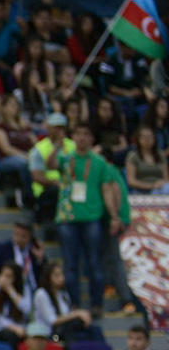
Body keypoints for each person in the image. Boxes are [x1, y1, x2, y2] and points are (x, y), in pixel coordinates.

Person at [55, 123, 127, 317]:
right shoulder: (66, 158)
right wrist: (57, 143)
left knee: (94, 263)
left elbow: (107, 190)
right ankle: (75, 304)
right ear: (73, 137)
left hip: (92, 217)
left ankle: (97, 304)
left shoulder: (99, 162)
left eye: (86, 134)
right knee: (70, 264)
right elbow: (49, 164)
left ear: (92, 139)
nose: (82, 138)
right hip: (68, 217)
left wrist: (113, 216)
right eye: (78, 134)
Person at [32, 260, 103, 344]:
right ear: (48, 277)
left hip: (65, 330)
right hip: (50, 333)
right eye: (57, 275)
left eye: (62, 274)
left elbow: (67, 315)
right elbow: (53, 321)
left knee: (94, 329)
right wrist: (77, 313)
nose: (61, 278)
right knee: (71, 331)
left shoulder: (63, 294)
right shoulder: (41, 294)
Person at [29, 112, 74, 223]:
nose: (59, 131)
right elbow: (37, 176)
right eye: (56, 128)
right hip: (47, 188)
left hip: (71, 185)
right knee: (57, 191)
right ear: (49, 128)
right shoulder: (39, 149)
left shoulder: (73, 145)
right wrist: (55, 182)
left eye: (62, 128)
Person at [0, 220, 44, 296]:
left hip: (33, 290)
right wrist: (2, 281)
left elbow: (44, 275)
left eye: (23, 236)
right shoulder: (1, 249)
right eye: (16, 234)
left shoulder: (34, 249)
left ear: (30, 237)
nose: (19, 239)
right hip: (8, 290)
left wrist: (40, 260)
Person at [0, 262, 30, 350]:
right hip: (1, 328)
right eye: (3, 275)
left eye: (9, 276)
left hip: (22, 327)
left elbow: (26, 310)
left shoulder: (24, 290)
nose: (5, 279)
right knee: (12, 336)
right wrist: (14, 328)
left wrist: (11, 291)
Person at [126, 125, 169, 195]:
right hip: (140, 190)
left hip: (160, 188)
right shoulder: (133, 156)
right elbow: (131, 181)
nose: (147, 139)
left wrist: (162, 183)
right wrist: (151, 186)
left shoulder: (161, 155)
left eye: (150, 137)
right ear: (138, 139)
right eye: (144, 137)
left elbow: (166, 178)